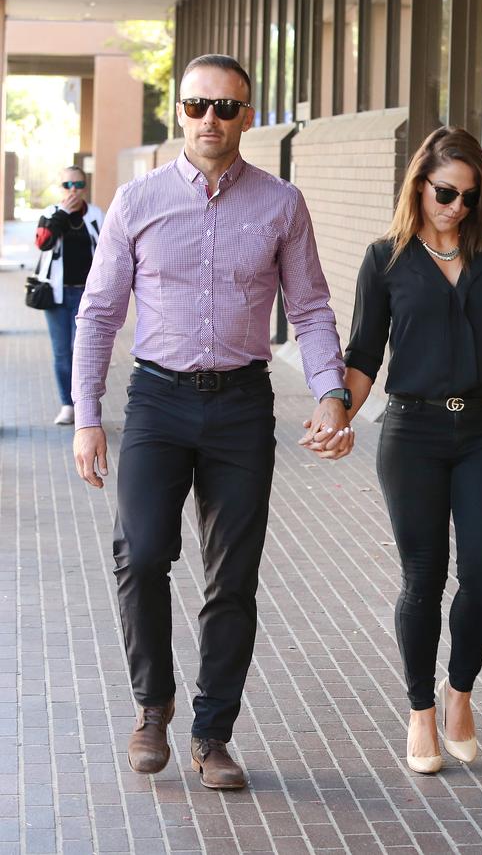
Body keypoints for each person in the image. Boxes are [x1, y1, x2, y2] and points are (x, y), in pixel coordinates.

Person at [72, 54, 354, 790]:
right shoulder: (136, 203)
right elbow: (99, 314)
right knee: (140, 552)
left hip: (240, 405)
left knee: (233, 577)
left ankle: (212, 732)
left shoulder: (281, 203)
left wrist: (331, 393)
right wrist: (87, 416)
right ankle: (152, 701)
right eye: (197, 106)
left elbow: (313, 308)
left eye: (226, 108)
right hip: (157, 401)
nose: (209, 120)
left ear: (247, 117)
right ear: (181, 113)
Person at [309, 126, 482, 773]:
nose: (457, 208)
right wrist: (339, 413)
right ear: (419, 185)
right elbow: (364, 356)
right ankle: (420, 709)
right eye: (446, 193)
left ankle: (460, 691)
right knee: (424, 580)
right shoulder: (385, 258)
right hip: (411, 433)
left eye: (471, 198)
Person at [35, 166, 103, 425]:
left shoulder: (96, 214)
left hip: (88, 294)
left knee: (84, 351)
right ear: (60, 187)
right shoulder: (51, 214)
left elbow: (109, 249)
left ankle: (84, 406)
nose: (72, 190)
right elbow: (43, 243)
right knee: (62, 352)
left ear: (85, 187)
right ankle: (67, 405)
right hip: (57, 295)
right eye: (67, 185)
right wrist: (63, 212)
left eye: (77, 185)